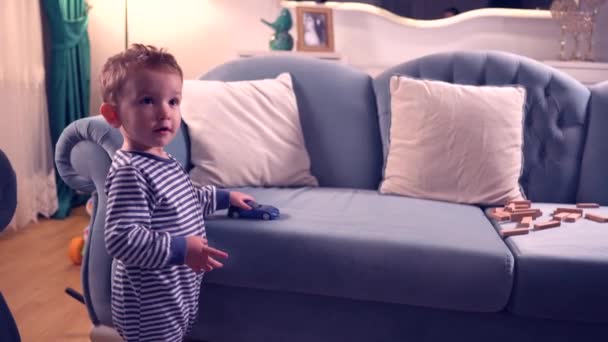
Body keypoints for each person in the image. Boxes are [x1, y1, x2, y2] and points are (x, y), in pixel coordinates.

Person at [99, 44, 254, 342]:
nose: (164, 112)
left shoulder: (162, 159)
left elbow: (183, 200)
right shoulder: (130, 171)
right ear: (113, 114)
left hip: (174, 292)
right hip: (148, 303)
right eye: (147, 101)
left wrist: (224, 198)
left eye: (173, 101)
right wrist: (181, 248)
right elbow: (121, 238)